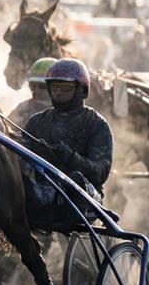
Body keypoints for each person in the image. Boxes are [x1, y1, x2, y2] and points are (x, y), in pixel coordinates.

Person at [22, 59, 113, 226]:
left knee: (75, 179)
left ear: (82, 90)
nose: (58, 93)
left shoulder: (96, 124)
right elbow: (20, 160)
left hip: (85, 197)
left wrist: (70, 157)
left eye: (65, 89)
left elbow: (101, 172)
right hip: (44, 193)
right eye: (54, 88)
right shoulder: (36, 122)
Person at [8, 57, 56, 127]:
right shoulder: (23, 108)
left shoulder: (68, 114)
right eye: (32, 85)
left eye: (42, 86)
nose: (36, 90)